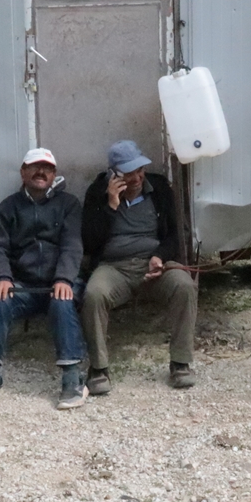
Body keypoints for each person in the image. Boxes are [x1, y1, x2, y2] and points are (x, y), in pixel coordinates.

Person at [80, 140, 198, 394]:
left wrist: (159, 256)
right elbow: (90, 242)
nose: (136, 177)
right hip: (115, 267)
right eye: (129, 172)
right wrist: (110, 205)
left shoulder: (159, 189)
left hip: (153, 263)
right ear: (114, 174)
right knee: (93, 294)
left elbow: (178, 234)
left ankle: (180, 363)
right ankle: (99, 368)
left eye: (139, 170)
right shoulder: (97, 193)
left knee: (184, 286)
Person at [0, 148, 88, 410]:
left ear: (54, 174)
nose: (41, 172)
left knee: (63, 301)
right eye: (35, 167)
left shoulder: (68, 205)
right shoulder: (7, 207)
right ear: (23, 172)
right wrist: (2, 277)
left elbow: (72, 246)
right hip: (23, 285)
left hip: (57, 283)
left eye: (47, 168)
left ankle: (72, 378)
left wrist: (63, 279)